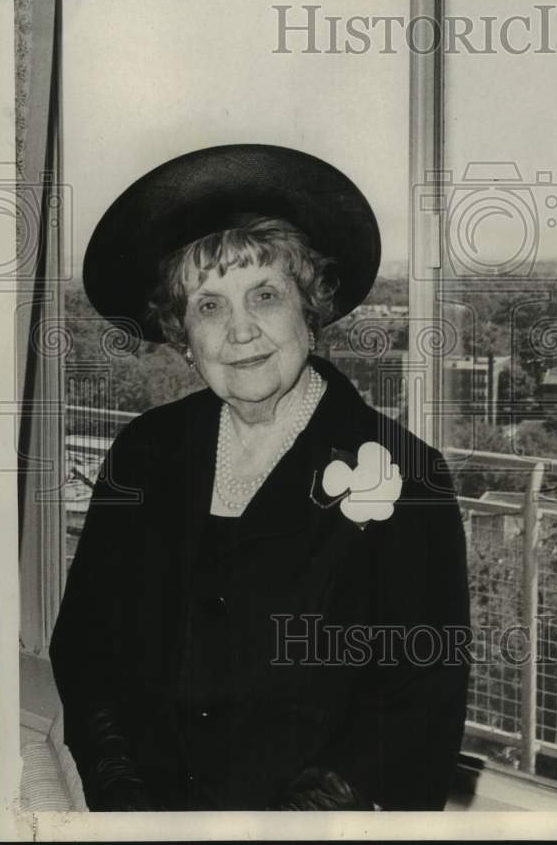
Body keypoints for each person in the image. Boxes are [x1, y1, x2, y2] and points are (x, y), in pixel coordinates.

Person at [49, 144, 471, 812]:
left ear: (310, 308)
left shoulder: (410, 476)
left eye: (265, 295)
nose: (240, 331)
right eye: (209, 307)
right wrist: (120, 793)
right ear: (182, 335)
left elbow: (420, 700)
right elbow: (86, 645)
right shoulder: (143, 453)